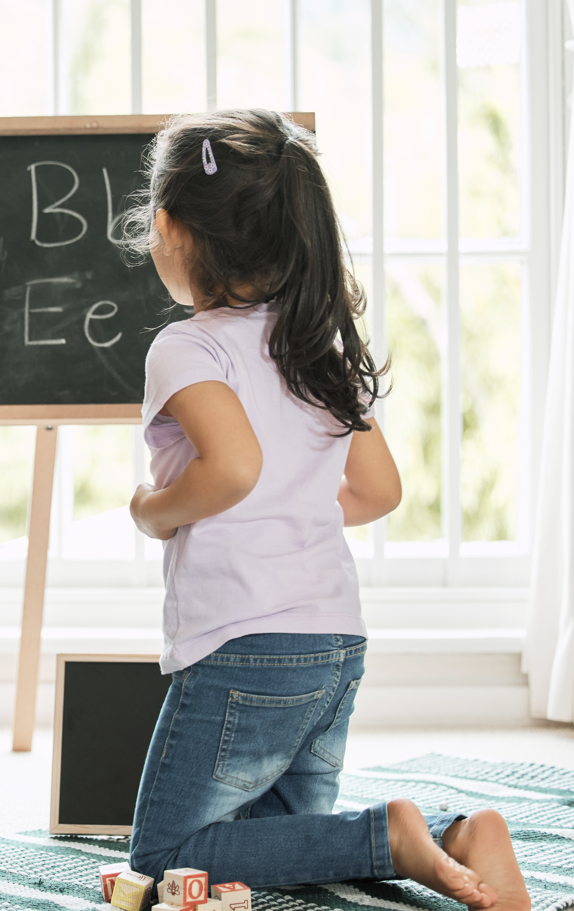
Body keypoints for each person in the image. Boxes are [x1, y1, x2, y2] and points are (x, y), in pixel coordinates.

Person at [123, 110, 530, 911]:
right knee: (279, 839)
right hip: (335, 644)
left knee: (164, 854)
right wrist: (288, 506)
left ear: (168, 227)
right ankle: (455, 833)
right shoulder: (315, 341)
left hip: (242, 647)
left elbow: (236, 467)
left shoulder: (187, 346)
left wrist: (154, 510)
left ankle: (391, 836)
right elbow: (379, 490)